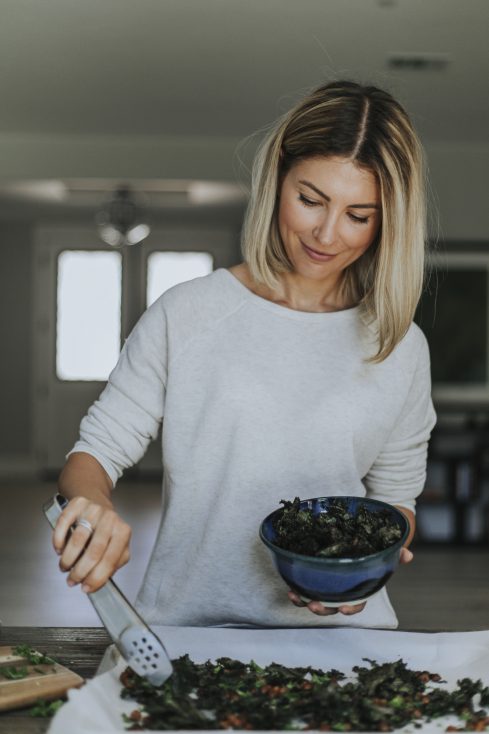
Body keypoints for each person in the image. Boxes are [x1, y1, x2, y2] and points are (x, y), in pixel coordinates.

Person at [52, 79, 436, 629]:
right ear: (277, 177)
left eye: (359, 215)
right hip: (188, 629)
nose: (327, 234)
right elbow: (93, 456)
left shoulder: (400, 345)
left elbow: (398, 503)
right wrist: (96, 510)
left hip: (347, 639)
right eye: (310, 199)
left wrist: (361, 570)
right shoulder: (188, 313)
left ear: (388, 221)